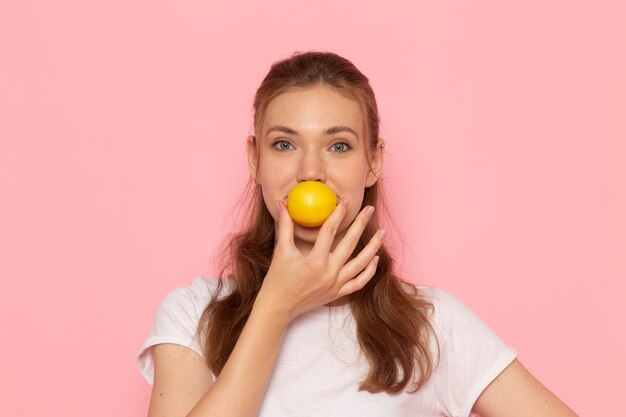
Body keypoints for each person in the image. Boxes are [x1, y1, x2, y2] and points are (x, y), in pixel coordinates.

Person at [136, 51, 578, 417]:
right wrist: (276, 305)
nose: (311, 172)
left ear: (373, 161)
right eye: (284, 144)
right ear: (254, 158)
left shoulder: (431, 325)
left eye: (339, 146)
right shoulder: (193, 314)